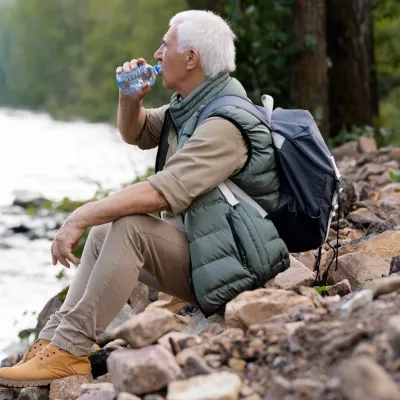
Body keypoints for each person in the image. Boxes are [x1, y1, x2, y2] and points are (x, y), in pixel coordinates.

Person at [0, 10, 289, 387]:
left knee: (131, 227)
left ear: (191, 58)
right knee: (107, 233)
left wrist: (82, 214)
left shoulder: (224, 125)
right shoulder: (194, 106)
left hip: (239, 266)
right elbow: (137, 132)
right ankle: (55, 342)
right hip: (210, 252)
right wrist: (129, 99)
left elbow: (159, 192)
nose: (155, 54)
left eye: (164, 45)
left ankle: (70, 352)